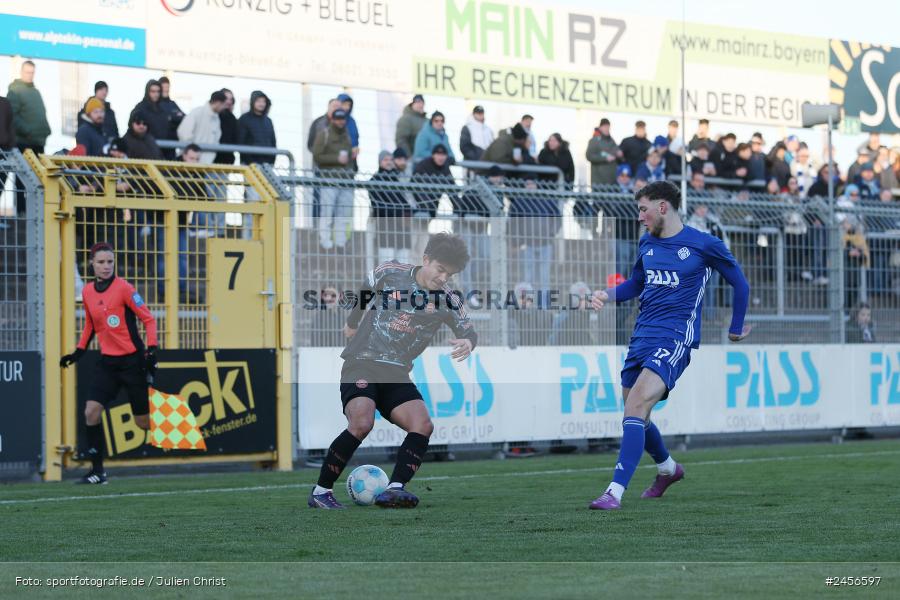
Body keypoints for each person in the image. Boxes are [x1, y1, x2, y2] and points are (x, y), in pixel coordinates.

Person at [588, 181, 750, 510]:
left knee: (634, 407)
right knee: (637, 413)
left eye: (643, 209)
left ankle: (613, 493)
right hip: (642, 335)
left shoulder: (705, 244)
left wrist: (735, 328)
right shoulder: (646, 242)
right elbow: (636, 283)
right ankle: (667, 469)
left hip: (676, 336)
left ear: (663, 207)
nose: (640, 217)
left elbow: (739, 282)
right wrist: (609, 294)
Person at [308, 233, 477, 509]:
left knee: (422, 425)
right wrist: (352, 323)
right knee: (362, 423)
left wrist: (469, 341)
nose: (444, 278)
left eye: (451, 273)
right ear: (426, 260)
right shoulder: (391, 272)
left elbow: (468, 329)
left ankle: (394, 489)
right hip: (362, 361)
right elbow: (365, 290)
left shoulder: (448, 299)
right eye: (440, 269)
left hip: (396, 374)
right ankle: (320, 491)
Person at [59, 242, 159, 484]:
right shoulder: (87, 292)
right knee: (91, 412)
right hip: (108, 363)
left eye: (110, 262)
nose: (106, 266)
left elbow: (148, 319)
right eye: (101, 262)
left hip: (132, 362)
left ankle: (175, 423)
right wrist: (78, 352)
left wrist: (152, 349)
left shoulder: (124, 288)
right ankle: (98, 472)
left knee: (142, 422)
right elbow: (91, 325)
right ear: (92, 264)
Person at [312, 108, 354, 250]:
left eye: (343, 119)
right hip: (329, 180)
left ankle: (340, 243)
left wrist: (352, 160)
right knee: (327, 213)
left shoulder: (347, 136)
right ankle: (325, 242)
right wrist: (336, 159)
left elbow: (348, 159)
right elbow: (317, 156)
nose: (340, 121)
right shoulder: (324, 134)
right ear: (332, 119)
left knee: (343, 214)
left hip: (345, 180)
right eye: (338, 119)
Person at [177, 90, 225, 163]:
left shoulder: (216, 119)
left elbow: (216, 138)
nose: (224, 108)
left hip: (206, 162)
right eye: (223, 105)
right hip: (191, 160)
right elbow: (184, 132)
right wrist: (192, 152)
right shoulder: (197, 112)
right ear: (218, 103)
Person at [238, 90, 277, 166]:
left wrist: (271, 161)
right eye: (258, 101)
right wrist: (249, 161)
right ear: (253, 102)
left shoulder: (268, 121)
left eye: (263, 101)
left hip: (267, 165)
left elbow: (273, 142)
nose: (261, 104)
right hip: (249, 165)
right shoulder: (244, 119)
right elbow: (241, 141)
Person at [131, 80, 171, 153]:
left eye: (158, 91)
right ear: (147, 92)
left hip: (163, 151)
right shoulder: (140, 108)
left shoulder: (163, 110)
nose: (156, 94)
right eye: (153, 91)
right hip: (144, 150)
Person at [586, 118, 621, 188]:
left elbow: (616, 152)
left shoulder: (612, 141)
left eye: (608, 127)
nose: (607, 129)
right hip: (599, 182)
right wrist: (605, 158)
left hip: (612, 182)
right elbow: (589, 156)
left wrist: (619, 154)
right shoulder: (594, 140)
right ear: (600, 127)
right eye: (605, 126)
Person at [157, 76, 184, 157]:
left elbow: (183, 117)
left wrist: (171, 118)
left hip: (171, 145)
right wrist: (172, 117)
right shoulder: (154, 105)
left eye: (167, 87)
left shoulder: (173, 104)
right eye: (163, 87)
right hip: (157, 145)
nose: (166, 89)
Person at [395, 94, 426, 159]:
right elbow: (401, 140)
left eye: (422, 102)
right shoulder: (406, 119)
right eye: (417, 102)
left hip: (427, 160)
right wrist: (409, 157)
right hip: (414, 160)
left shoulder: (428, 121)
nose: (420, 105)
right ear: (412, 104)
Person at [214, 88, 238, 165]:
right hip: (211, 159)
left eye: (231, 99)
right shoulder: (213, 115)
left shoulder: (232, 118)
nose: (228, 101)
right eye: (226, 98)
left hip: (226, 160)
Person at [337, 93, 360, 168]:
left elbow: (355, 137)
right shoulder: (332, 120)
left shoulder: (351, 121)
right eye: (344, 104)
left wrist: (355, 147)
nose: (347, 107)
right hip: (336, 160)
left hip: (350, 159)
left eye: (349, 105)